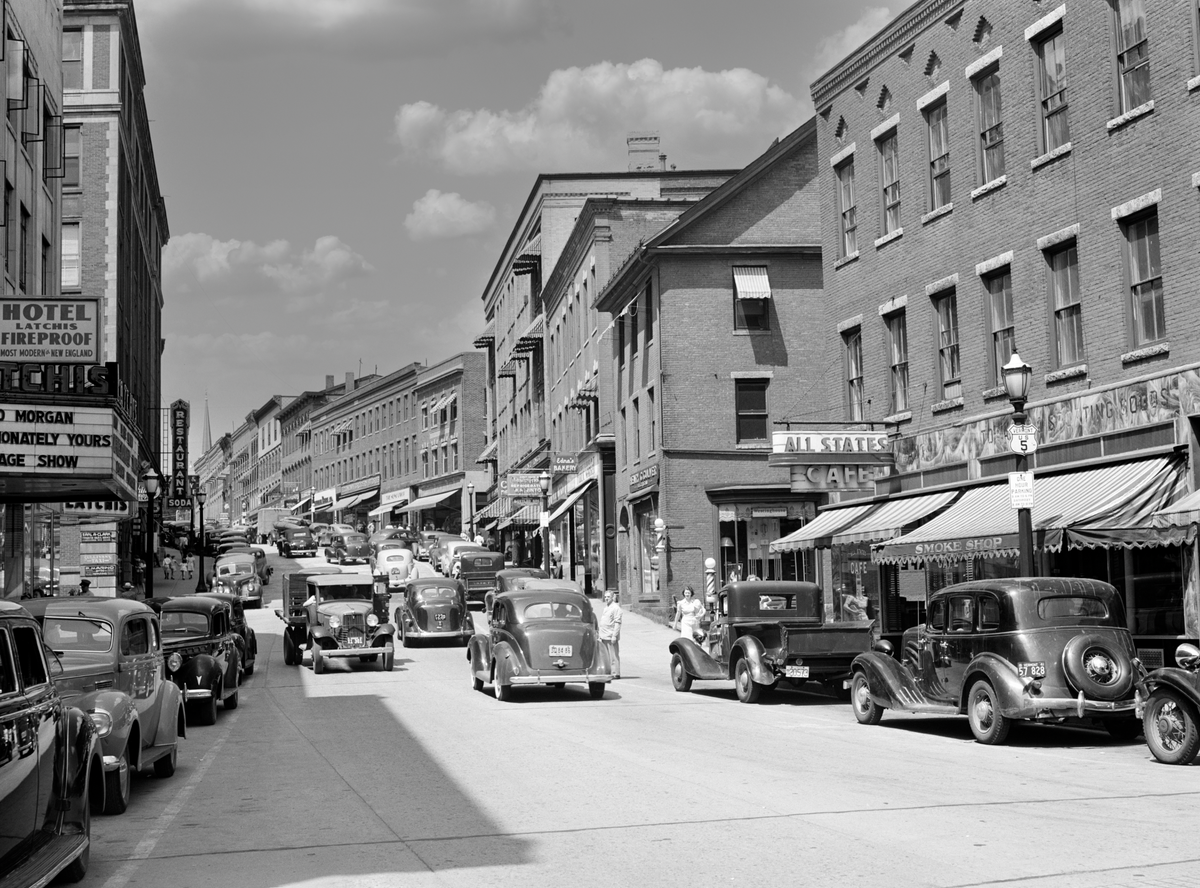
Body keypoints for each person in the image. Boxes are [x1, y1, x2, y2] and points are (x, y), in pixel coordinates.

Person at [598, 590, 622, 678]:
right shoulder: (606, 607)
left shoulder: (616, 608)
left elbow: (617, 623)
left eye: (608, 597)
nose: (606, 598)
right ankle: (609, 672)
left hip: (611, 635)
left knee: (613, 656)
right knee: (606, 656)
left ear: (612, 597)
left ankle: (616, 673)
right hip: (604, 635)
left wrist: (614, 636)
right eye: (605, 597)